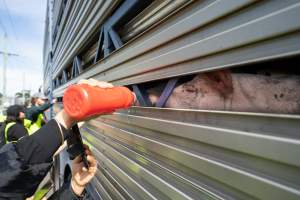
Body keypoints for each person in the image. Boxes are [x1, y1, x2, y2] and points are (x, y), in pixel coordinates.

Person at [0, 79, 114, 199]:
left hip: (40, 155)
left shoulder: (13, 125)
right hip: (37, 158)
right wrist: (64, 120)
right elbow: (14, 165)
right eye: (42, 99)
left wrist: (74, 187)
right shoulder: (18, 127)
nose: (24, 112)